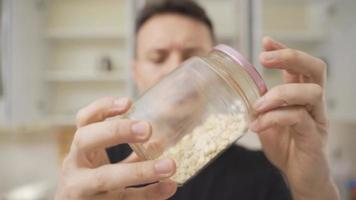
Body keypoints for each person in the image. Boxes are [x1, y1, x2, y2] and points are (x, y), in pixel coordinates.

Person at [54, 0, 339, 199]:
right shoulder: (101, 169)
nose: (177, 68)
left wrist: (313, 189)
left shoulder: (262, 173)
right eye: (158, 56)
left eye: (192, 57)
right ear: (136, 72)